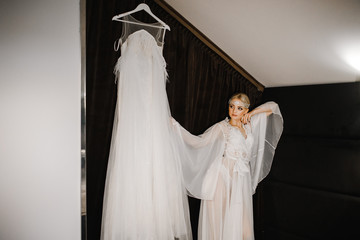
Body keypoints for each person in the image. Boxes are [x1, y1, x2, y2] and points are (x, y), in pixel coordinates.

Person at [171, 93, 283, 240]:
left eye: (239, 108)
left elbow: (273, 107)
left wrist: (252, 113)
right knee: (218, 222)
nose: (234, 111)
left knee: (244, 227)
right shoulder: (222, 127)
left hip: (240, 180)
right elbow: (197, 142)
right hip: (221, 178)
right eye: (232, 106)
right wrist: (174, 127)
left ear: (245, 110)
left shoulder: (249, 125)